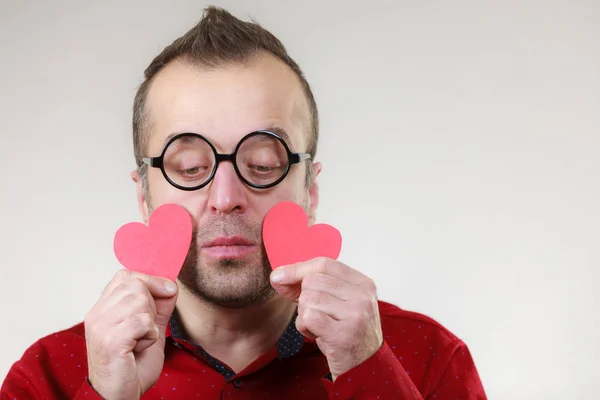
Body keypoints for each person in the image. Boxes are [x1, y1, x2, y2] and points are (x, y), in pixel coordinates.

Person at [1, 6, 487, 399]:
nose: (226, 198)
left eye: (263, 163)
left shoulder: (428, 360)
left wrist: (371, 379)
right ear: (144, 196)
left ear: (310, 190)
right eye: (190, 167)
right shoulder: (47, 379)